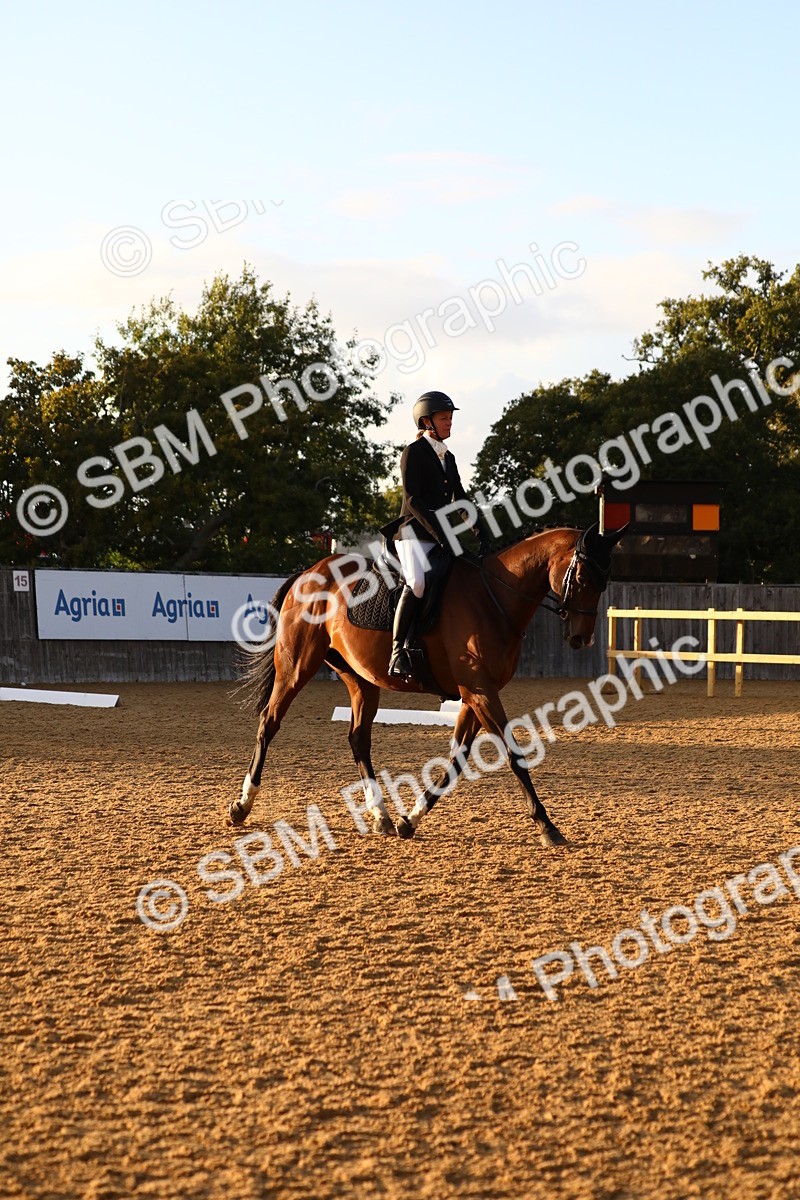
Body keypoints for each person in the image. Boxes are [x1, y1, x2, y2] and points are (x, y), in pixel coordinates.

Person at [380, 391, 490, 678]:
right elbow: (414, 500)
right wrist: (442, 535)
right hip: (412, 533)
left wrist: (482, 532)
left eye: (451, 418)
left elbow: (460, 498)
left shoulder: (448, 457)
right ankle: (397, 651)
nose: (449, 423)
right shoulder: (413, 453)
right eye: (444, 418)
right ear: (427, 421)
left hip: (439, 533)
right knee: (416, 583)